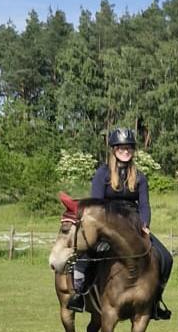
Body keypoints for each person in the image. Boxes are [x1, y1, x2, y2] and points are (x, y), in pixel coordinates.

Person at [67, 128, 172, 320]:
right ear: (114, 150)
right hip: (107, 223)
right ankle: (79, 295)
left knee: (165, 257)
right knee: (86, 254)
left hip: (133, 224)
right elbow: (96, 204)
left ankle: (155, 300)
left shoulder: (140, 176)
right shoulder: (102, 173)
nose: (126, 151)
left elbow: (145, 205)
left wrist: (145, 224)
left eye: (129, 148)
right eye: (122, 148)